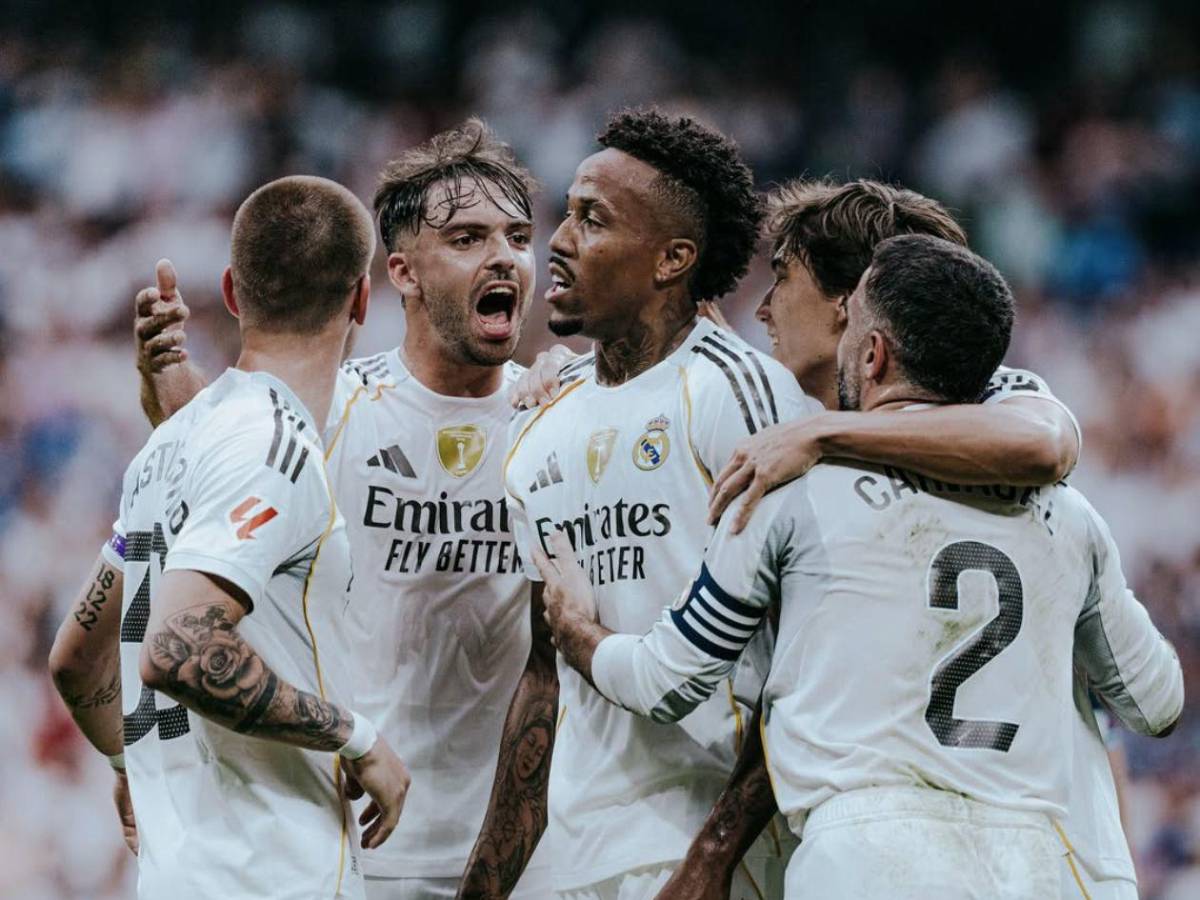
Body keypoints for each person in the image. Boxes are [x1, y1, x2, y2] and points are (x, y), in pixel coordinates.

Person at [515, 177, 1132, 900]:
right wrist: (577, 375)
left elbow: (1049, 441)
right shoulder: (836, 444)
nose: (764, 308)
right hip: (1024, 849)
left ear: (855, 303)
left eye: (782, 277)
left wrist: (822, 434)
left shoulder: (986, 398)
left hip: (1006, 840)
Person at [130, 120, 555, 899]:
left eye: (519, 237)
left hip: (520, 857)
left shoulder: (556, 415)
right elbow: (225, 511)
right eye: (467, 238)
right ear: (399, 274)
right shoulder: (328, 411)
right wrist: (180, 407)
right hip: (359, 842)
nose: (503, 256)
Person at [461, 107, 817, 900]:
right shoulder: (537, 422)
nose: (558, 240)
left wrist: (714, 856)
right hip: (575, 853)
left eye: (593, 220)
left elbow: (807, 653)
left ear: (672, 258)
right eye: (567, 213)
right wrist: (486, 883)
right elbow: (545, 672)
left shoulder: (737, 393)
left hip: (716, 853)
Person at [47, 175, 412, 899]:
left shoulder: (164, 449)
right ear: (363, 300)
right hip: (273, 876)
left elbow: (76, 660)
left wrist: (129, 762)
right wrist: (357, 738)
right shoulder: (277, 447)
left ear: (233, 293)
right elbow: (176, 647)